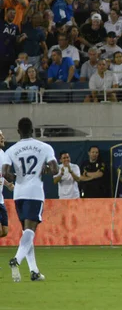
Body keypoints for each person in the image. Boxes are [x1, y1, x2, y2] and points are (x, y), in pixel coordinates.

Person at [2, 117, 59, 282]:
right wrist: (45, 169)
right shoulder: (44, 147)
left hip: (19, 193)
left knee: (26, 233)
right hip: (35, 192)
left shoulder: (11, 150)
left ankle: (34, 271)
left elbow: (5, 172)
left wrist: (18, 177)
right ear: (32, 130)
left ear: (18, 131)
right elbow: (55, 170)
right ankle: (16, 260)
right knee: (30, 231)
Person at [0, 130, 15, 238]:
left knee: (4, 231)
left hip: (0, 199)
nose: (2, 137)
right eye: (0, 136)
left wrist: (7, 184)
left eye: (2, 135)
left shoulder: (2, 154)